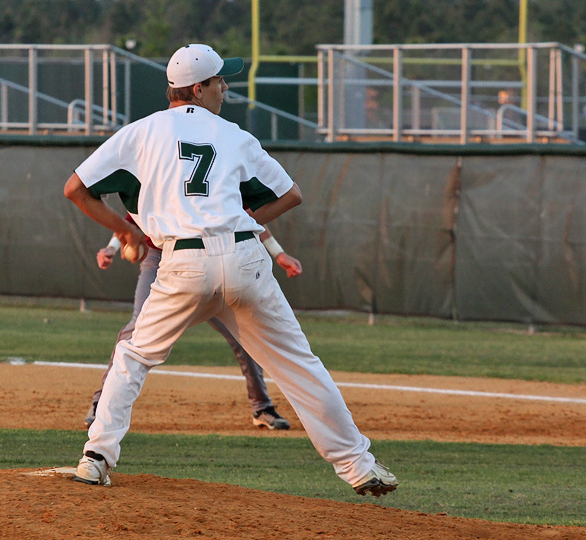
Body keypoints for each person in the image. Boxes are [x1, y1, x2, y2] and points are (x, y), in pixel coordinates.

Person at [63, 43, 398, 497]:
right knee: (300, 365)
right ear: (197, 88)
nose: (225, 87)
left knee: (133, 356)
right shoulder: (235, 135)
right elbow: (293, 194)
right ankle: (360, 466)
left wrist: (129, 235)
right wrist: (245, 222)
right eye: (220, 80)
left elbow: (76, 189)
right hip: (245, 261)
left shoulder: (139, 133)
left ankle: (97, 456)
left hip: (182, 264)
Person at [84, 217, 302, 431]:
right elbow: (133, 212)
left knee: (242, 332)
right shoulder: (157, 180)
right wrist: (111, 246)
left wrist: (278, 252)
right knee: (137, 326)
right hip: (160, 256)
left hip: (210, 258)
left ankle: (262, 406)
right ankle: (102, 402)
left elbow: (247, 214)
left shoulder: (217, 182)